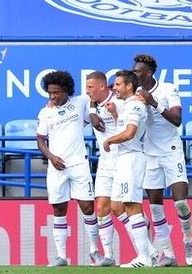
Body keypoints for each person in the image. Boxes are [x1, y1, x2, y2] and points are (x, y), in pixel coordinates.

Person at [133, 54, 192, 266]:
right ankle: (167, 254)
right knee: (155, 207)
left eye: (138, 71)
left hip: (171, 151)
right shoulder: (135, 93)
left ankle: (187, 239)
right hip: (150, 154)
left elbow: (177, 120)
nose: (135, 74)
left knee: (181, 203)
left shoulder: (168, 89)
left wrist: (154, 103)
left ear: (148, 73)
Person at [36, 70, 102, 267]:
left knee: (88, 207)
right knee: (59, 209)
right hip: (57, 167)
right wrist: (52, 158)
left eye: (56, 92)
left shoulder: (80, 102)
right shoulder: (45, 112)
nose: (53, 97)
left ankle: (94, 252)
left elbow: (94, 99)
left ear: (66, 90)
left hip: (79, 164)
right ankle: (61, 256)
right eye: (50, 93)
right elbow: (40, 141)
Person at [103, 70, 152, 267]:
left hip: (132, 159)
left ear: (128, 86)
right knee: (116, 206)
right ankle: (150, 250)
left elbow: (130, 133)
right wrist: (115, 114)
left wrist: (110, 139)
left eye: (117, 84)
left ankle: (145, 257)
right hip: (123, 159)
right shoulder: (126, 106)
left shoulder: (135, 106)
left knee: (132, 205)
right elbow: (125, 129)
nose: (113, 88)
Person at [85, 71, 122, 266]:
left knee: (123, 209)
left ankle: (147, 249)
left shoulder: (120, 100)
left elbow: (129, 128)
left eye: (90, 87)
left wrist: (114, 114)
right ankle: (108, 256)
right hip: (105, 163)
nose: (87, 91)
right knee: (101, 207)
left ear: (102, 87)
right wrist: (92, 111)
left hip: (124, 160)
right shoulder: (90, 102)